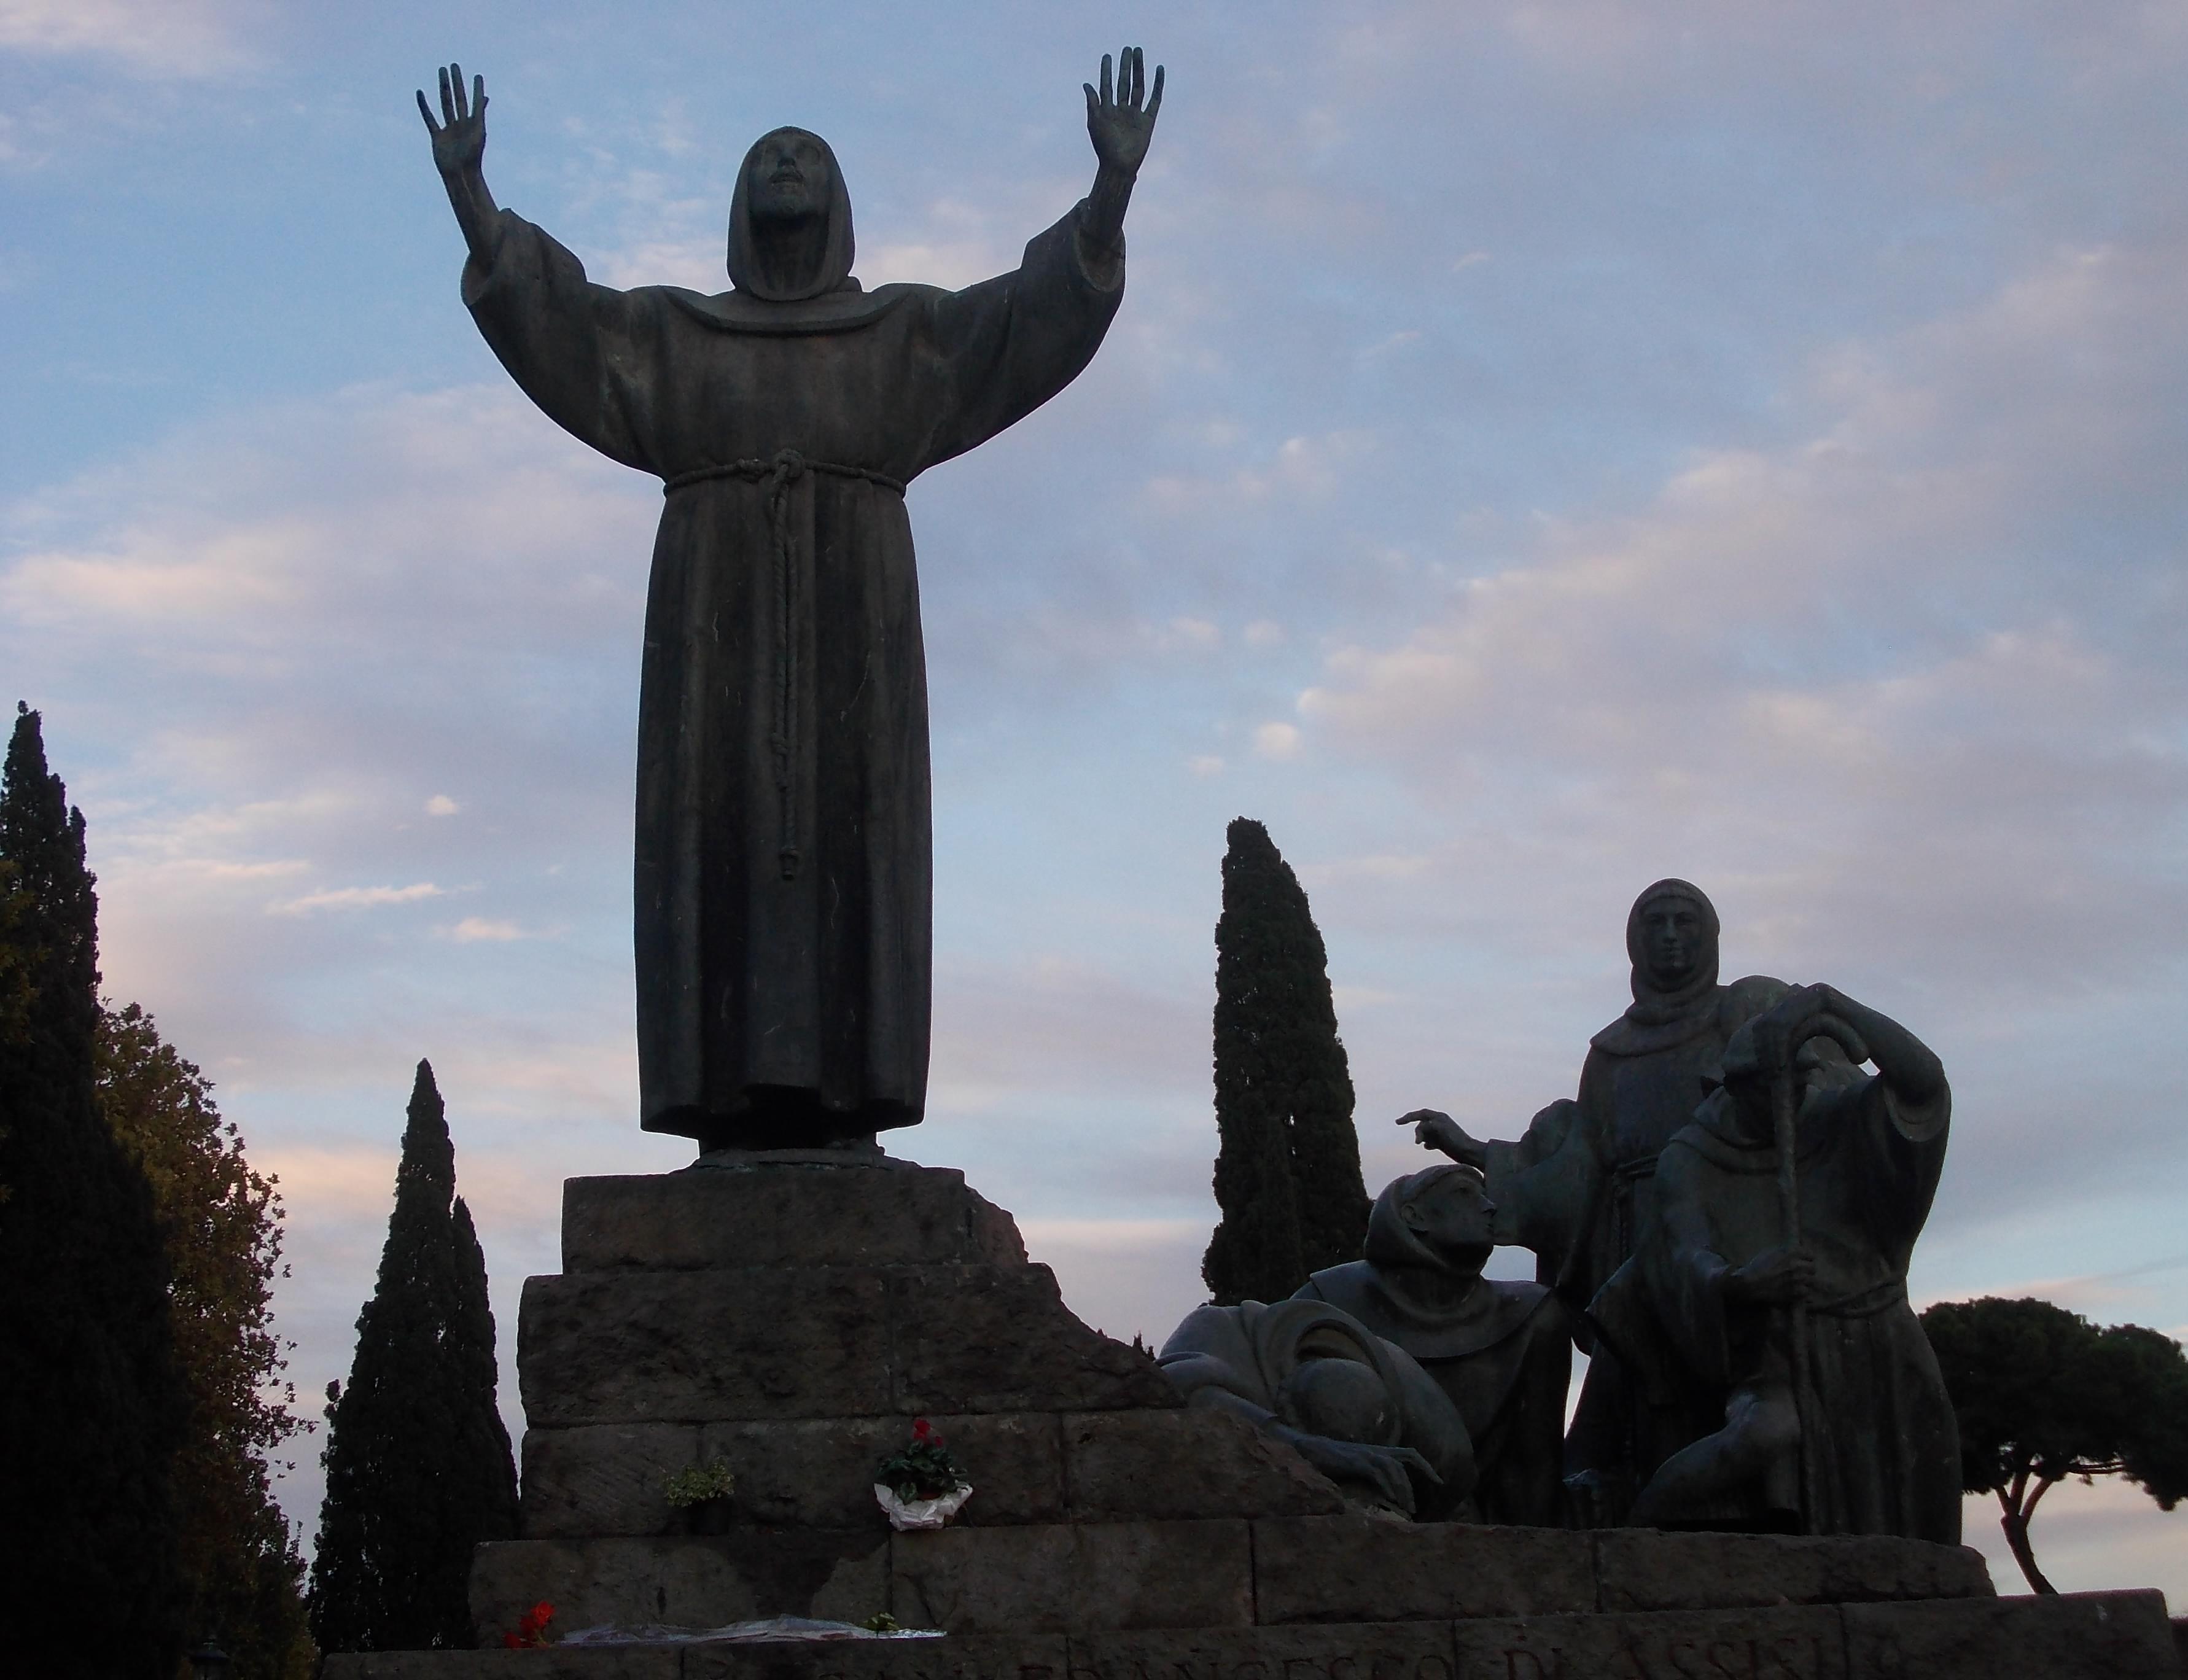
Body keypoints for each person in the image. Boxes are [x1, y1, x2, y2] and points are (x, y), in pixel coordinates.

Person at [415, 53, 1162, 1151]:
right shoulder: (674, 336)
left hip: (856, 626)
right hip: (708, 631)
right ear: (734, 202)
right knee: (708, 837)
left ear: (840, 201)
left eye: (807, 155)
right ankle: (725, 1108)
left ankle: (848, 1108)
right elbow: (567, 327)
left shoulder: (904, 337)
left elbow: (1025, 320)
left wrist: (1110, 192)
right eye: (768, 154)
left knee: (861, 842)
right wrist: (472, 198)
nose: (784, 162)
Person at [1404, 879, 1817, 1515]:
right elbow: (1579, 1166)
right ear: (1634, 941)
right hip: (1639, 1239)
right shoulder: (1610, 1054)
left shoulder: (1742, 1014)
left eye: (1686, 921)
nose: (1672, 935)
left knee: (1746, 1376)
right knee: (1647, 1392)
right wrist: (1475, 1153)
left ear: (1710, 936)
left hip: (1734, 1220)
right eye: (1656, 923)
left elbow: (1812, 1073)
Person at [1629, 982, 1962, 1541]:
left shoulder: (1841, 1117)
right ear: (1739, 1087)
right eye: (1777, 1087)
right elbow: (1686, 1252)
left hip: (1884, 1341)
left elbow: (1926, 1084)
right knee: (1768, 1437)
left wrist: (1834, 1006)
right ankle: (1638, 1528)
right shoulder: (1691, 1157)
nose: (1794, 1095)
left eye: (1802, 1081)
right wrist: (1739, 1281)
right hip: (1781, 1352)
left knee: (1922, 1486)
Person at [1293, 1165, 1571, 1525]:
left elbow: (1534, 1469)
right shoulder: (1330, 1301)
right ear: (1414, 1216)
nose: (1489, 1206)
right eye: (1465, 1193)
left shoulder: (1532, 1317)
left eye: (1485, 1195)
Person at [1157, 1296, 1474, 1520]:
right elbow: (1174, 1383)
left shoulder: (1427, 1423)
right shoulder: (1220, 1329)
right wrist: (1296, 1446)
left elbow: (1452, 1487)